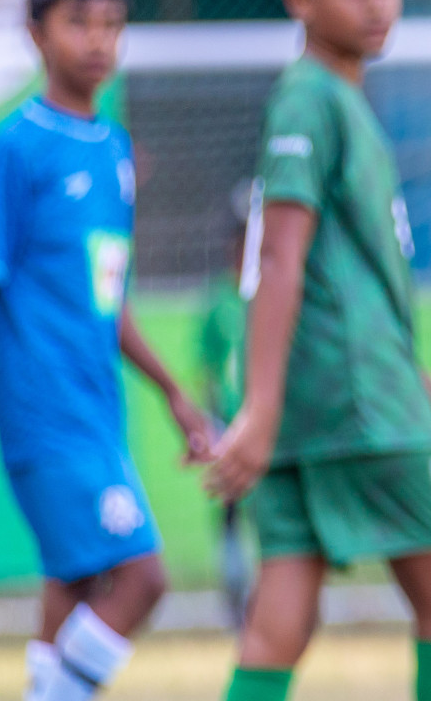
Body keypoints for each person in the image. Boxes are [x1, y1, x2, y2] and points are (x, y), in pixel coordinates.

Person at [207, 0, 431, 701]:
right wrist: (259, 409)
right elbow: (278, 255)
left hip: (329, 400)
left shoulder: (338, 101)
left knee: (280, 621)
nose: (376, 3)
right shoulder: (311, 100)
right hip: (357, 404)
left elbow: (358, 282)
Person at [0, 0, 213, 701]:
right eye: (78, 23)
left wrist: (174, 393)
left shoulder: (113, 148)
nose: (97, 40)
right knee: (141, 577)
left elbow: (106, 294)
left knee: (77, 578)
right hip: (44, 407)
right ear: (35, 34)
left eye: (112, 24)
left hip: (99, 405)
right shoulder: (14, 146)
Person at [196, 196, 251, 629]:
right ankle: (235, 598)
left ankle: (276, 598)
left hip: (274, 430)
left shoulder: (277, 294)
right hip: (232, 429)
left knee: (278, 513)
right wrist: (215, 425)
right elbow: (208, 370)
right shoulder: (220, 302)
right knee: (231, 514)